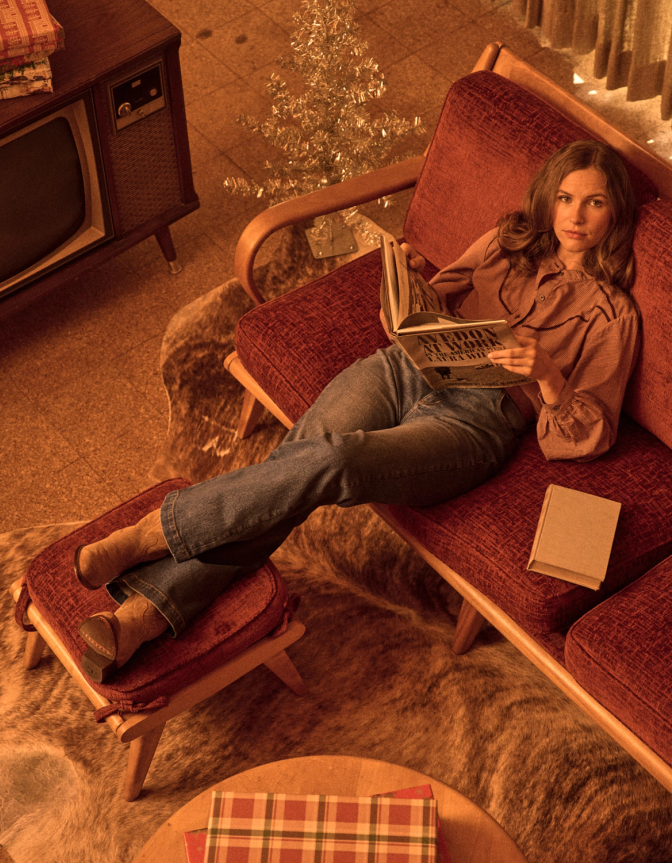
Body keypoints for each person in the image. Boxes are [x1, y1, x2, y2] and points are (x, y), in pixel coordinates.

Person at [74, 139, 640, 682]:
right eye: (566, 198)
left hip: (476, 419)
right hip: (407, 366)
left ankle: (154, 536)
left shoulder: (612, 314)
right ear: (548, 197)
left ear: (615, 211)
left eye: (594, 201)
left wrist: (548, 374)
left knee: (331, 460)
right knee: (294, 466)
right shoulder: (505, 241)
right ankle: (139, 619)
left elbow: (591, 433)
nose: (576, 215)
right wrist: (413, 279)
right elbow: (439, 294)